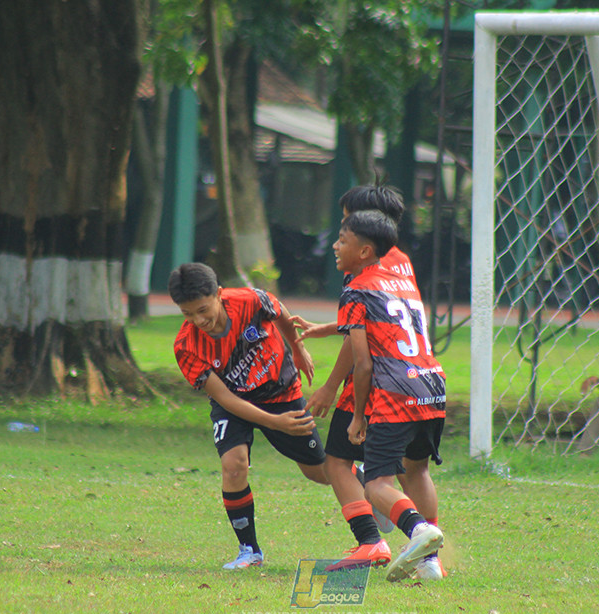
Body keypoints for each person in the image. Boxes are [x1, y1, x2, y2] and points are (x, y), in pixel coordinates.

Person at [294, 186, 444, 579]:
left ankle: (377, 539)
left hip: (383, 383)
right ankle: (430, 561)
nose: (339, 235)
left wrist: (330, 387)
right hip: (426, 378)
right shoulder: (401, 264)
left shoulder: (360, 277)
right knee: (417, 468)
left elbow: (360, 347)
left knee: (343, 462)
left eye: (345, 226)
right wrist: (329, 327)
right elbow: (389, 319)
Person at [169, 262, 329, 570]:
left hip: (280, 391)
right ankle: (249, 550)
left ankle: (362, 480)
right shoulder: (186, 346)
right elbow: (225, 398)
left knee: (320, 473)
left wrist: (296, 348)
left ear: (219, 293)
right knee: (233, 465)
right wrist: (273, 423)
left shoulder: (249, 300)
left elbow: (278, 309)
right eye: (187, 314)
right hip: (235, 403)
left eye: (203, 309)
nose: (198, 320)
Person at [331, 209, 447, 583]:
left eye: (343, 239)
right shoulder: (401, 281)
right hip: (432, 385)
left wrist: (359, 416)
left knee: (375, 483)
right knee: (419, 469)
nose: (335, 246)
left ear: (364, 251)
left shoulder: (355, 289)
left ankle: (418, 532)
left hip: (395, 392)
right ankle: (430, 564)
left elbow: (362, 365)